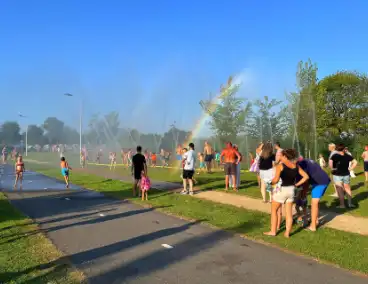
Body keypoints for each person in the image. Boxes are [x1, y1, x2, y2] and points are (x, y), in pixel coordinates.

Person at [264, 149, 309, 238]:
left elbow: (276, 180)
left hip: (282, 190)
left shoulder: (280, 166)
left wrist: (270, 183)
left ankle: (273, 231)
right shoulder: (296, 166)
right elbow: (306, 177)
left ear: (285, 156)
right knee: (289, 213)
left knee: (274, 210)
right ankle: (287, 233)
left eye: (281, 155)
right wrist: (296, 184)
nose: (280, 157)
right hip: (291, 190)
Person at [297, 157, 331, 231]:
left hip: (320, 182)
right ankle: (316, 221)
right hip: (323, 179)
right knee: (316, 203)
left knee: (314, 204)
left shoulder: (301, 164)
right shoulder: (307, 160)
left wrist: (303, 193)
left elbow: (306, 179)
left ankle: (313, 226)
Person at [329, 144, 357, 208]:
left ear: (337, 149)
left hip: (337, 175)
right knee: (347, 189)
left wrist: (333, 168)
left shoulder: (334, 156)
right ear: (344, 149)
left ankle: (342, 205)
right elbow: (355, 162)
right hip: (346, 174)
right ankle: (350, 204)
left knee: (340, 190)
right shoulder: (347, 156)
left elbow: (330, 165)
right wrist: (351, 168)